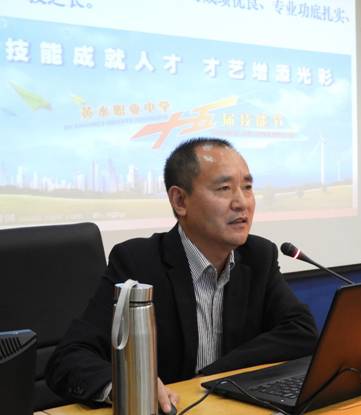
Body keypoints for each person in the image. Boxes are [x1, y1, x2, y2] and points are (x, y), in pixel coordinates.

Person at [45, 138, 318, 413]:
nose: (242, 203)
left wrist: (214, 375)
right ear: (180, 201)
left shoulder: (258, 256)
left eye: (247, 187)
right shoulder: (138, 263)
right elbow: (69, 358)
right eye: (224, 188)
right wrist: (125, 386)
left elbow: (300, 331)